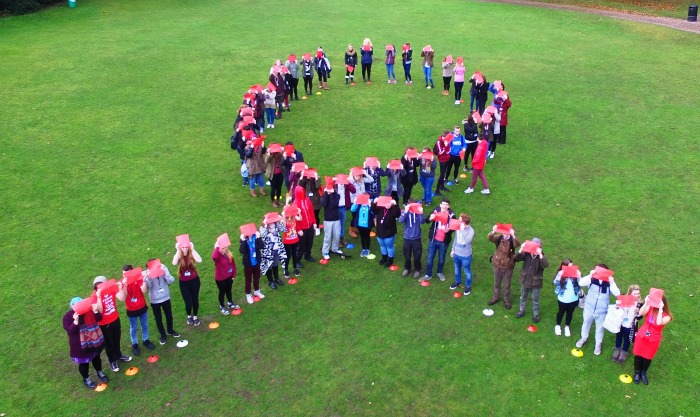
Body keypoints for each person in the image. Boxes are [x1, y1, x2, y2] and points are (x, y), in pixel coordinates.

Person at [63, 297, 109, 388]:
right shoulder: (68, 317)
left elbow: (99, 318)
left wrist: (96, 312)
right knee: (84, 364)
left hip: (94, 341)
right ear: (73, 307)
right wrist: (75, 322)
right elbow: (70, 332)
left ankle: (99, 371)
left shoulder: (89, 310)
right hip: (80, 346)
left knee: (96, 358)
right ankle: (86, 378)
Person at [575, 264, 621, 355]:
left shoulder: (608, 282)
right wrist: (590, 275)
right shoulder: (592, 279)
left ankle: (598, 344)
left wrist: (612, 282)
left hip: (602, 310)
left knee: (600, 328)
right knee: (586, 323)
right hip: (589, 308)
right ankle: (583, 338)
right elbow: (581, 283)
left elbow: (617, 293)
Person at [91, 276, 132, 372]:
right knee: (108, 343)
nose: (99, 288)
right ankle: (112, 361)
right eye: (97, 286)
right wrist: (99, 297)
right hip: (104, 324)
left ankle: (118, 355)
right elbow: (100, 311)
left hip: (115, 319)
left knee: (116, 339)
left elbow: (122, 298)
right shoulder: (93, 297)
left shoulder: (110, 289)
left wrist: (121, 288)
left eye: (101, 285)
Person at [632, 290, 672, 385]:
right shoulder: (650, 307)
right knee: (638, 355)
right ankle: (637, 372)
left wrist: (660, 310)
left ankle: (643, 373)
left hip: (653, 339)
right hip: (642, 335)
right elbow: (641, 313)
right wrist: (646, 302)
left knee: (647, 357)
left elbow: (658, 323)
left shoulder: (667, 316)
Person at [121, 265, 156, 356]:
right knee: (134, 327)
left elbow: (143, 290)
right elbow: (123, 297)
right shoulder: (122, 283)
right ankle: (135, 344)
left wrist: (144, 279)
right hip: (131, 310)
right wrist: (124, 285)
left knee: (145, 325)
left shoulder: (138, 278)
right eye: (123, 274)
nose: (125, 276)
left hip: (142, 307)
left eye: (127, 274)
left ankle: (146, 340)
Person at [513, 239, 549, 323]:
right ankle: (521, 310)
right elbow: (516, 258)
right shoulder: (527, 253)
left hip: (536, 282)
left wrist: (540, 254)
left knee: (535, 299)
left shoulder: (541, 256)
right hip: (525, 279)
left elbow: (545, 265)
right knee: (523, 296)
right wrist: (521, 248)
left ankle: (535, 314)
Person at [145, 260, 180, 345]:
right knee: (158, 318)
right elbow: (148, 288)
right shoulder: (147, 273)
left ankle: (170, 330)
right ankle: (162, 335)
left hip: (165, 297)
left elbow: (171, 281)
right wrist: (149, 278)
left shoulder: (162, 269)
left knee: (169, 315)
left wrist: (165, 273)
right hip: (155, 300)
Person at [420, 198, 455, 282]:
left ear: (449, 206)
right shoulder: (436, 210)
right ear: (440, 205)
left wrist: (449, 230)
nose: (444, 206)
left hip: (444, 241)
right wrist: (431, 218)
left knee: (441, 258)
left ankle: (439, 272)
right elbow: (427, 221)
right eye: (443, 204)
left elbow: (453, 227)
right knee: (430, 258)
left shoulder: (452, 215)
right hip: (433, 239)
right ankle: (428, 274)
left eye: (446, 205)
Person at [487, 226, 521, 309]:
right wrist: (493, 231)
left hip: (508, 266)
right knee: (497, 283)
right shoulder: (499, 237)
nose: (505, 234)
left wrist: (513, 235)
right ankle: (496, 297)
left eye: (506, 232)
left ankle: (506, 300)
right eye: (504, 232)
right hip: (497, 264)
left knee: (507, 284)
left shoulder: (512, 240)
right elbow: (490, 238)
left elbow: (518, 243)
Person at [172, 238, 203, 326]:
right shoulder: (179, 255)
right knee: (188, 302)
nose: (185, 249)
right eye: (183, 247)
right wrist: (177, 250)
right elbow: (174, 262)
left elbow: (199, 260)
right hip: (184, 283)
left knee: (195, 300)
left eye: (186, 247)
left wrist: (193, 249)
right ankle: (189, 315)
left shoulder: (191, 253)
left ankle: (195, 316)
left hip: (194, 281)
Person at [612, 284, 642, 363]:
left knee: (627, 339)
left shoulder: (639, 304)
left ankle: (624, 353)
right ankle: (617, 349)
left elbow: (639, 317)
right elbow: (617, 310)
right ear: (630, 293)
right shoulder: (624, 299)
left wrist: (637, 311)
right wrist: (617, 305)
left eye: (638, 293)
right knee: (618, 336)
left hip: (630, 326)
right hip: (620, 323)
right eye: (635, 294)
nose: (637, 295)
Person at [260, 214, 287, 290]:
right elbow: (263, 235)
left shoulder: (275, 224)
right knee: (269, 265)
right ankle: (271, 281)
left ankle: (276, 278)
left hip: (276, 249)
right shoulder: (262, 227)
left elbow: (284, 229)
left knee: (275, 264)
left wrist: (280, 221)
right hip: (268, 251)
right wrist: (265, 226)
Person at [552, 259, 579, 337]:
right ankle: (558, 325)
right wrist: (559, 276)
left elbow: (581, 283)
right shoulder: (561, 274)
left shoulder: (575, 274)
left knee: (570, 313)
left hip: (573, 298)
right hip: (563, 298)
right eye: (569, 267)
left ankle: (567, 326)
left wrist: (579, 275)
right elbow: (555, 283)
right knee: (561, 312)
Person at [371, 197, 401, 267]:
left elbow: (397, 214)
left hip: (389, 232)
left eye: (389, 203)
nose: (388, 205)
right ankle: (384, 258)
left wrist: (395, 205)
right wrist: (374, 203)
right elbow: (373, 210)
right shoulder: (380, 208)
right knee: (382, 246)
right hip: (380, 231)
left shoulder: (393, 209)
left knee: (389, 246)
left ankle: (390, 260)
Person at [449, 214, 474, 294]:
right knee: (457, 269)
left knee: (467, 271)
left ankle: (468, 286)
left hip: (466, 255)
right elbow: (455, 239)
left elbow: (467, 241)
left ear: (465, 223)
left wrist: (463, 230)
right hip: (456, 253)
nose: (458, 221)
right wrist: (453, 250)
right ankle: (457, 281)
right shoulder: (458, 227)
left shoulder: (471, 231)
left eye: (460, 220)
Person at [239, 230, 266, 304]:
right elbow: (242, 251)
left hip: (256, 262)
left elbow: (262, 246)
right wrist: (243, 241)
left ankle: (257, 291)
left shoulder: (256, 237)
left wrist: (259, 237)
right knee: (248, 280)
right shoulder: (243, 239)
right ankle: (248, 294)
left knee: (257, 277)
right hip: (248, 264)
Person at [398, 202, 424, 278]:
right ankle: (407, 268)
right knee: (407, 255)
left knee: (417, 256)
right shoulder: (404, 211)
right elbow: (400, 220)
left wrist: (421, 213)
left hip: (416, 238)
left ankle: (417, 269)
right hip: (407, 238)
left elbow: (422, 222)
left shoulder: (418, 212)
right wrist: (406, 211)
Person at [212, 239, 237, 315]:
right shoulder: (217, 256)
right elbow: (214, 257)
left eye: (225, 247)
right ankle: (222, 306)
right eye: (222, 248)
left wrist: (234, 273)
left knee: (229, 290)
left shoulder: (228, 253)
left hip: (229, 277)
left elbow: (233, 264)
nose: (224, 249)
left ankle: (230, 303)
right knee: (222, 292)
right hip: (220, 279)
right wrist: (216, 247)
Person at [294, 183, 318, 264]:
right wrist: (298, 229)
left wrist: (314, 222)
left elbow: (311, 211)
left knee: (310, 242)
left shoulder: (307, 200)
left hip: (310, 226)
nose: (302, 194)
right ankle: (297, 260)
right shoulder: (295, 204)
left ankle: (307, 255)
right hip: (302, 229)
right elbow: (295, 219)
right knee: (301, 245)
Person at [321, 179, 342, 259]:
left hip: (336, 219)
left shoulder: (337, 195)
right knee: (328, 237)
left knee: (337, 235)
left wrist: (332, 194)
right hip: (328, 220)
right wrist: (326, 194)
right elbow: (324, 204)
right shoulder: (324, 195)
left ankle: (335, 248)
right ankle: (325, 252)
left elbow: (333, 204)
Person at [281, 204, 302, 278]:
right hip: (287, 241)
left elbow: (300, 219)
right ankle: (285, 269)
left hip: (295, 239)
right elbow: (283, 227)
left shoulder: (293, 216)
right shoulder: (284, 219)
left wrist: (299, 212)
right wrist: (283, 217)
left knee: (294, 255)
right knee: (287, 256)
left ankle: (295, 268)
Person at [433, 131, 451, 196]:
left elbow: (449, 150)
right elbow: (440, 153)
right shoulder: (439, 142)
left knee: (444, 173)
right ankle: (437, 190)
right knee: (442, 175)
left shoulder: (447, 141)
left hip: (447, 158)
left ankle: (442, 186)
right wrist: (445, 146)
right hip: (442, 160)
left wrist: (446, 149)